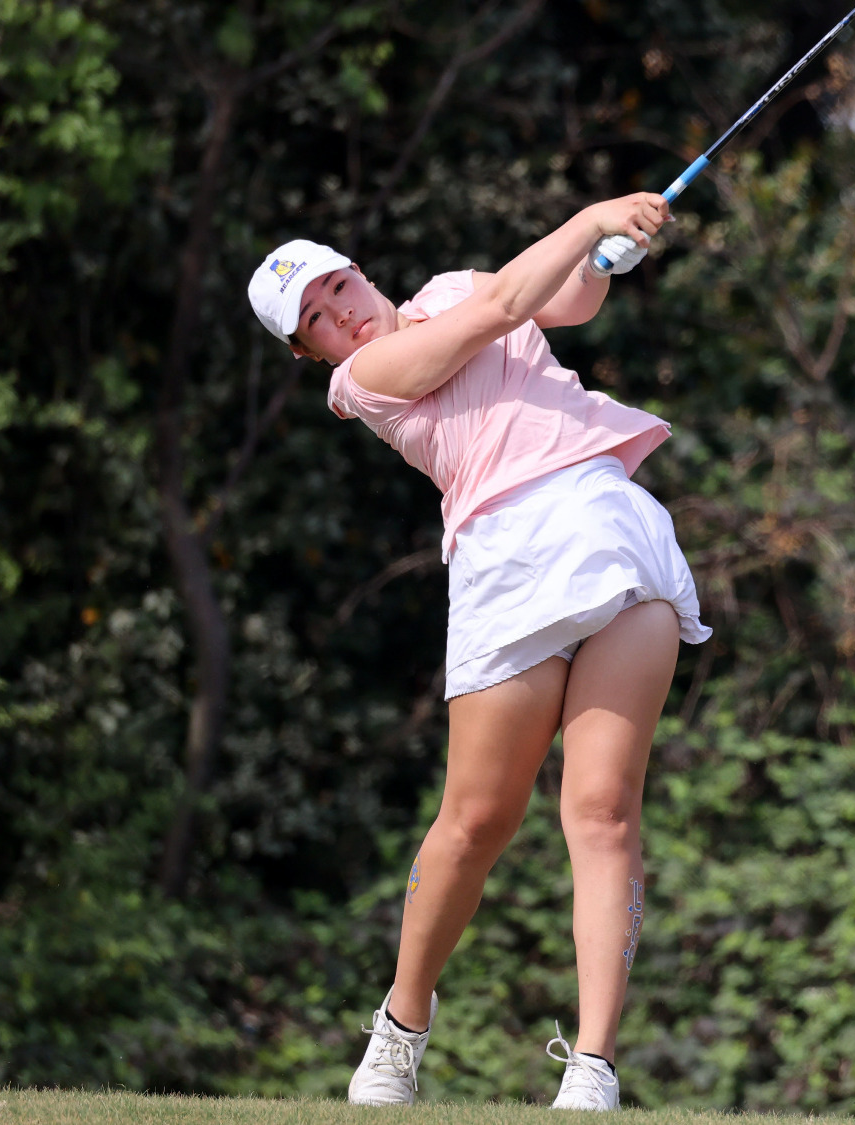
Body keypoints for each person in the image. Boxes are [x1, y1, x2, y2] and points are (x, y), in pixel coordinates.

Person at [246, 192, 710, 1111]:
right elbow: (501, 309)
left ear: (360, 270)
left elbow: (565, 302)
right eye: (319, 319)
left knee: (605, 810)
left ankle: (594, 1067)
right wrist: (588, 219)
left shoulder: (456, 283)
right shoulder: (366, 377)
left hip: (613, 528)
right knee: (475, 820)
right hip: (509, 558)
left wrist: (607, 252)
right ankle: (402, 1026)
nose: (342, 310)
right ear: (313, 353)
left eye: (339, 285)